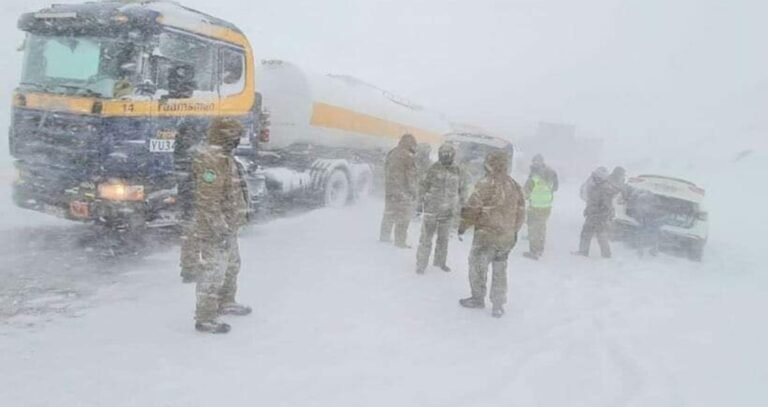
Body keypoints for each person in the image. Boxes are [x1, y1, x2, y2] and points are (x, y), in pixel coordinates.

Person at [192, 118, 251, 334]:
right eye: (235, 136)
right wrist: (220, 228)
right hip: (215, 229)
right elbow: (208, 201)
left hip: (228, 226)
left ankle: (226, 301)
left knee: (232, 265)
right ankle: (205, 317)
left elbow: (235, 190)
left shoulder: (226, 157)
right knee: (213, 272)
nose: (238, 141)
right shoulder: (211, 160)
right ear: (224, 136)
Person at [457, 150, 526, 318]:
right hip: (506, 237)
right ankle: (498, 304)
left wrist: (463, 225)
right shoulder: (514, 185)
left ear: (489, 164)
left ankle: (477, 298)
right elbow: (521, 211)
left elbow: (473, 207)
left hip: (486, 235)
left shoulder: (486, 183)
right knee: (500, 270)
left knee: (477, 266)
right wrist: (513, 231)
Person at [415, 143, 466, 274]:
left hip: (448, 211)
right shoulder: (432, 169)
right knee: (426, 239)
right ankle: (421, 264)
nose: (445, 156)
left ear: (453, 155)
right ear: (439, 154)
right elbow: (422, 186)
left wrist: (462, 205)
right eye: (443, 153)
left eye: (448, 153)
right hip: (431, 209)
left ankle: (440, 262)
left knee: (443, 239)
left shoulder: (458, 171)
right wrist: (419, 204)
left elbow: (462, 189)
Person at [175, 118, 208, 283]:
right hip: (195, 195)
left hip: (188, 195)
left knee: (190, 232)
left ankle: (189, 266)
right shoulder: (195, 153)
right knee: (195, 231)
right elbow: (206, 175)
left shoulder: (181, 149)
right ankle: (192, 267)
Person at [380, 134, 418, 248]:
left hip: (390, 190)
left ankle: (384, 236)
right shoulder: (408, 156)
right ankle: (400, 241)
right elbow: (411, 176)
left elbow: (385, 169)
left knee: (389, 214)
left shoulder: (392, 153)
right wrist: (413, 191)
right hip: (402, 192)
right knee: (403, 218)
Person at [523, 154, 559, 260]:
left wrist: (528, 197)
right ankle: (540, 249)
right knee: (541, 228)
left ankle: (534, 251)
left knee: (533, 229)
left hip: (534, 206)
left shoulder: (534, 175)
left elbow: (526, 191)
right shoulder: (551, 173)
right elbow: (556, 187)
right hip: (546, 206)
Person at [574, 167, 614, 258]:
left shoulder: (605, 189)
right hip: (591, 215)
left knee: (601, 236)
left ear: (601, 178)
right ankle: (583, 252)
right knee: (586, 234)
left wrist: (602, 216)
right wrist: (587, 209)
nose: (594, 178)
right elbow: (590, 201)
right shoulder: (594, 186)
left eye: (596, 176)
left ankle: (606, 255)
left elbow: (607, 206)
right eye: (594, 176)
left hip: (599, 217)